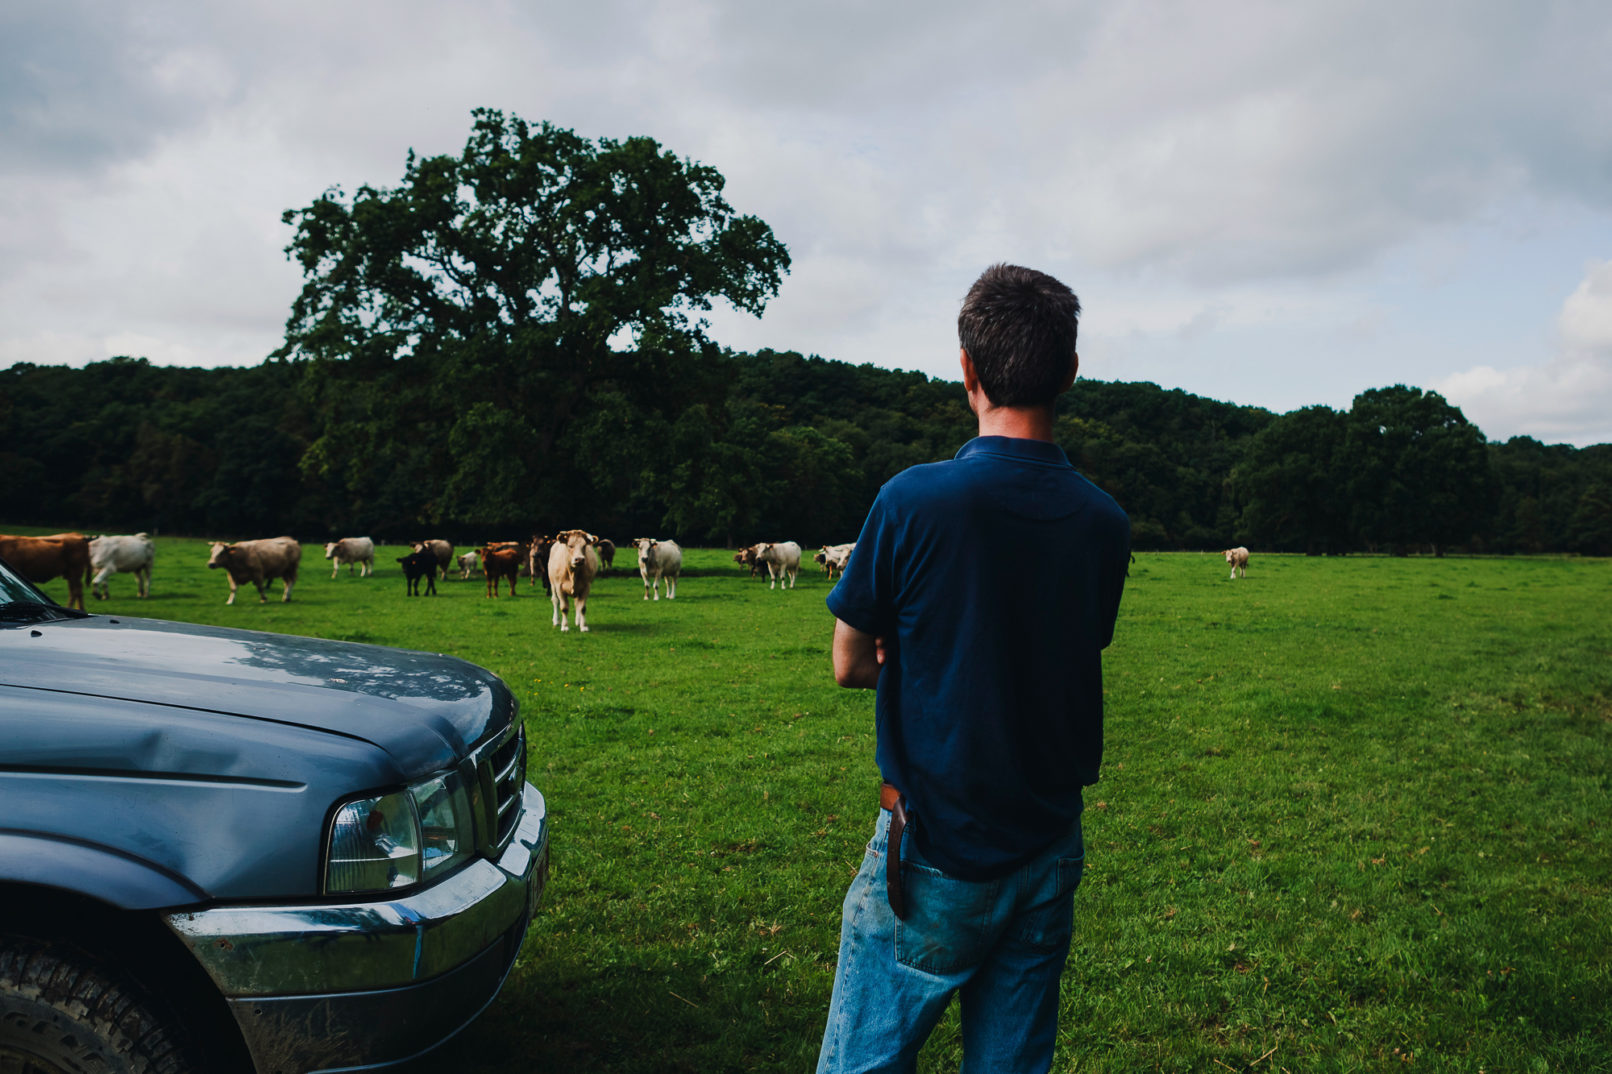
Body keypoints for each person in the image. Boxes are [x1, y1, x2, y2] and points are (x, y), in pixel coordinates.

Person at [817, 263, 1130, 1073]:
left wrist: (916, 654)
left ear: (967, 369)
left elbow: (848, 662)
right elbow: (1066, 649)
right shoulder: (1104, 521)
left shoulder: (913, 500)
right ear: (1069, 372)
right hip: (1048, 845)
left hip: (933, 846)